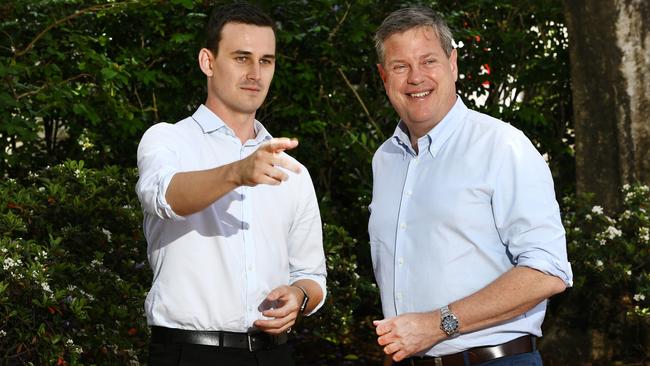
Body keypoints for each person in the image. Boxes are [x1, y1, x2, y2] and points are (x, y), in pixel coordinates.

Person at [368, 6, 573, 366]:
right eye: (401, 67)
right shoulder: (385, 159)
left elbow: (547, 272)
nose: (416, 77)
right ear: (384, 76)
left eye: (428, 61)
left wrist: (437, 324)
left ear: (453, 63)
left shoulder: (502, 146)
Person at [134, 3, 326, 365]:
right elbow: (163, 197)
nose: (255, 73)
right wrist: (237, 172)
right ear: (208, 62)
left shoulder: (292, 170)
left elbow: (312, 274)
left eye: (266, 60)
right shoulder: (168, 140)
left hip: (274, 355)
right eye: (241, 58)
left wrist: (299, 296)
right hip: (189, 353)